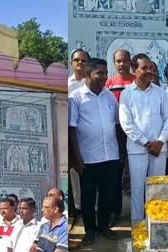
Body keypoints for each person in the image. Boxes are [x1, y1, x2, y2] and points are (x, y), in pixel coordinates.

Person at [69, 58, 122, 245]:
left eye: (105, 72)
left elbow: (117, 125)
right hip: (88, 157)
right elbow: (72, 129)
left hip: (111, 155)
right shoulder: (76, 97)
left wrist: (120, 155)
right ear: (88, 74)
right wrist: (76, 157)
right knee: (88, 196)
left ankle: (104, 226)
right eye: (99, 73)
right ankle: (90, 229)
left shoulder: (109, 97)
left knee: (108, 195)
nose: (104, 76)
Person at [119, 53, 168, 224]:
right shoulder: (127, 94)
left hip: (159, 149)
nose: (149, 71)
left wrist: (160, 140)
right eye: (145, 68)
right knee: (137, 189)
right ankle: (137, 225)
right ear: (134, 70)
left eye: (151, 68)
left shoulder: (160, 92)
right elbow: (126, 123)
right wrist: (147, 143)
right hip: (137, 149)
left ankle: (155, 223)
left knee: (157, 188)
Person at [105, 49, 135, 225]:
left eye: (125, 60)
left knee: (138, 173)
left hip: (134, 133)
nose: (122, 64)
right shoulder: (109, 83)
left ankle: (141, 211)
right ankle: (114, 211)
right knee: (115, 174)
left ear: (130, 62)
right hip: (116, 134)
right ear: (114, 63)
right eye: (118, 61)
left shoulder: (134, 81)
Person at [68, 48, 91, 219]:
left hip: (89, 136)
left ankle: (91, 206)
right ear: (71, 63)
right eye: (77, 60)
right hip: (70, 135)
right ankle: (77, 207)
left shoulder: (93, 83)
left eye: (84, 61)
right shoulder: (67, 85)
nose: (80, 63)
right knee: (74, 173)